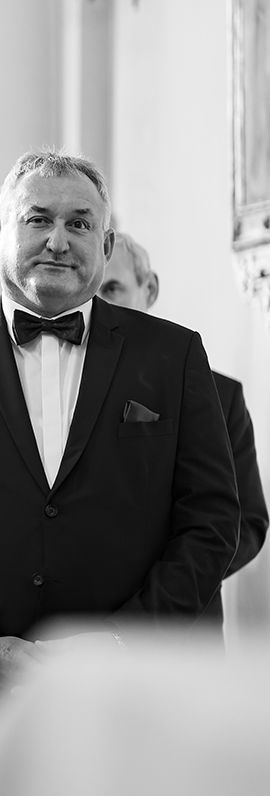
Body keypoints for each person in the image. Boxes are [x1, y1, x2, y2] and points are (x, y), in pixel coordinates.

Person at [0, 150, 240, 755]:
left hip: (134, 708)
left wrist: (120, 643)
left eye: (79, 224)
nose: (58, 241)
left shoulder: (174, 356)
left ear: (105, 245)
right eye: (38, 219)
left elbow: (212, 519)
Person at [97, 231, 268, 580]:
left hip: (186, 609)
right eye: (91, 293)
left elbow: (247, 523)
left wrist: (177, 584)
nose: (99, 306)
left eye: (112, 289)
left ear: (149, 289)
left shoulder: (222, 395)